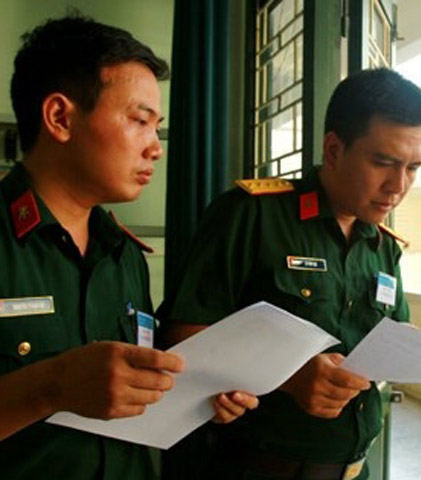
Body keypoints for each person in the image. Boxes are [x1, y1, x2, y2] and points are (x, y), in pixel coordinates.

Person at [0, 15, 255, 480]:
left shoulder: (124, 255)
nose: (156, 148)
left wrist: (200, 393)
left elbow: (132, 396)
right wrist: (50, 386)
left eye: (157, 127)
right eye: (139, 121)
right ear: (60, 118)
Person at [158, 68, 421, 479]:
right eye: (383, 162)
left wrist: (410, 348)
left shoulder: (383, 245)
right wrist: (291, 377)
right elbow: (181, 339)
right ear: (334, 149)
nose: (398, 186)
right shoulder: (252, 216)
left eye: (413, 168)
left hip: (356, 469)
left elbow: (391, 334)